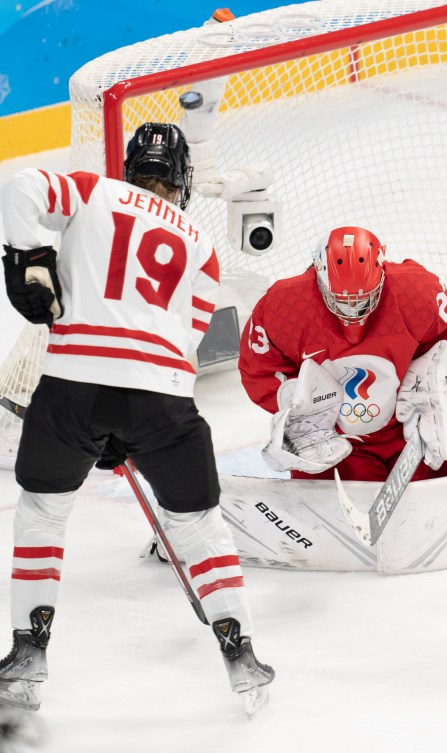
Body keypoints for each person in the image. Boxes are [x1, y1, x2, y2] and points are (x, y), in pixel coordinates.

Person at [0, 122, 274, 714]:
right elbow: (188, 340)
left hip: (73, 387)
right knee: (199, 525)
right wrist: (129, 426)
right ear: (183, 179)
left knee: (44, 512)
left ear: (130, 167)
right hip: (163, 396)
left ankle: (29, 651)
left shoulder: (91, 191)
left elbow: (20, 188)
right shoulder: (199, 243)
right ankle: (241, 652)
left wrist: (29, 257)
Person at [239, 225, 447, 482]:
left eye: (364, 298)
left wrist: (432, 389)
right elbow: (259, 369)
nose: (353, 309)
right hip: (334, 437)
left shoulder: (417, 290)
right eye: (342, 300)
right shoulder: (283, 307)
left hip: (410, 423)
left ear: (382, 270)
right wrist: (298, 404)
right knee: (323, 511)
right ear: (317, 275)